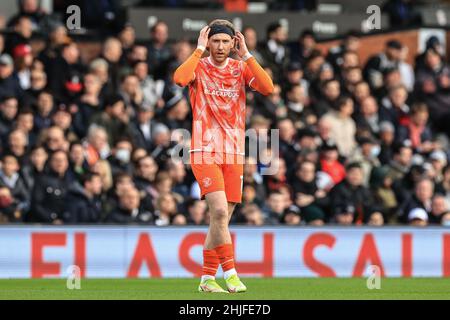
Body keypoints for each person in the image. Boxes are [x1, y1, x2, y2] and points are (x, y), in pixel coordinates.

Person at [173, 19, 273, 293]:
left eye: (225, 41)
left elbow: (268, 88)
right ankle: (230, 273)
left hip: (234, 152)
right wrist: (197, 50)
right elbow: (180, 79)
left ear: (233, 43)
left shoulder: (241, 69)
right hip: (204, 149)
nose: (219, 46)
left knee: (221, 221)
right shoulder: (200, 67)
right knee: (218, 211)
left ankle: (206, 279)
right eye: (214, 41)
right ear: (208, 41)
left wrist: (248, 55)